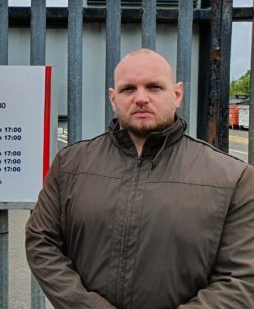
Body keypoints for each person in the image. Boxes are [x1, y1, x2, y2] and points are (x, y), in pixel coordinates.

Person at [26, 48, 254, 308]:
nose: (141, 98)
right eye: (128, 89)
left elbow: (242, 279)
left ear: (177, 94)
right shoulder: (69, 165)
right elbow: (41, 242)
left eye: (154, 87)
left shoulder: (234, 178)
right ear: (113, 98)